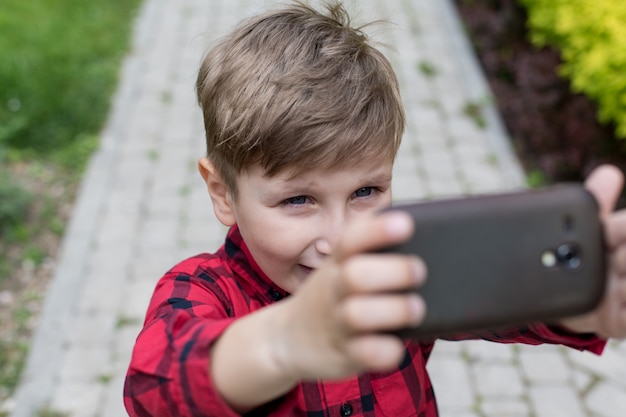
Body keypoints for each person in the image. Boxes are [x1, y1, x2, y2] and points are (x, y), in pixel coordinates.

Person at [124, 2, 626, 416]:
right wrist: (281, 341)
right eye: (298, 199)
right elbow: (155, 389)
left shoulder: (397, 265)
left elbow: (501, 292)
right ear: (222, 193)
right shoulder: (202, 290)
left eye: (366, 192)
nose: (341, 239)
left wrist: (574, 299)